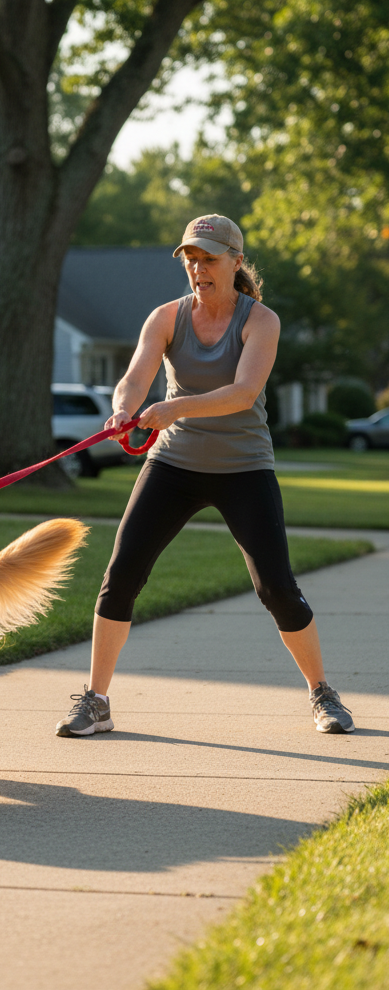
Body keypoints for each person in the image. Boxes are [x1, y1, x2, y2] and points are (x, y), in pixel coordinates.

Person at [56, 214, 355, 738]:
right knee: (121, 576)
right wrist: (123, 409)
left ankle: (321, 693)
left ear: (236, 263)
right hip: (174, 464)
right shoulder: (166, 317)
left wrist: (173, 409)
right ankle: (96, 700)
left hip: (244, 466)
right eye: (191, 259)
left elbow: (242, 393)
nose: (198, 268)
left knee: (277, 589)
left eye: (209, 259)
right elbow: (133, 378)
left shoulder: (260, 321)